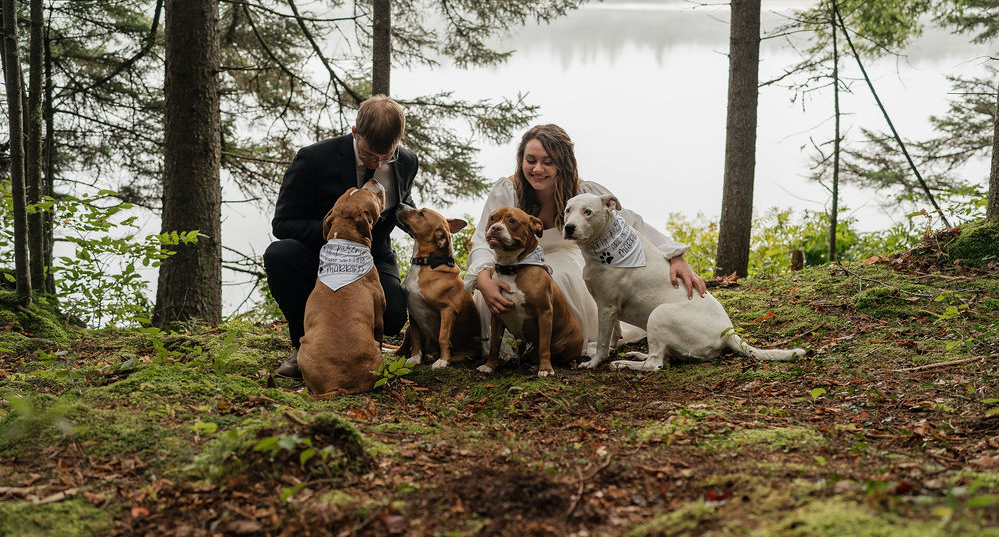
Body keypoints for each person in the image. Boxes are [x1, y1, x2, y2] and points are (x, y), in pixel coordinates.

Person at [465, 123, 706, 354]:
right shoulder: (508, 189)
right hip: (509, 262)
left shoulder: (584, 193)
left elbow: (632, 224)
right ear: (521, 160)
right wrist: (484, 281)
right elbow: (482, 240)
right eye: (531, 160)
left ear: (564, 164)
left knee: (552, 281)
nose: (538, 169)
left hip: (561, 259)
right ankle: (502, 352)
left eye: (548, 162)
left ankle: (551, 349)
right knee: (498, 289)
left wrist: (675, 255)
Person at [264, 95, 419, 378]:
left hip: (373, 256)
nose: (376, 165)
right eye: (370, 155)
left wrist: (427, 232)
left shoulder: (406, 161)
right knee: (279, 255)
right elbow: (282, 223)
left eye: (386, 157)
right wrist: (339, 234)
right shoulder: (312, 159)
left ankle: (361, 350)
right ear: (355, 132)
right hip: (320, 253)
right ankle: (304, 345)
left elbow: (402, 204)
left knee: (394, 316)